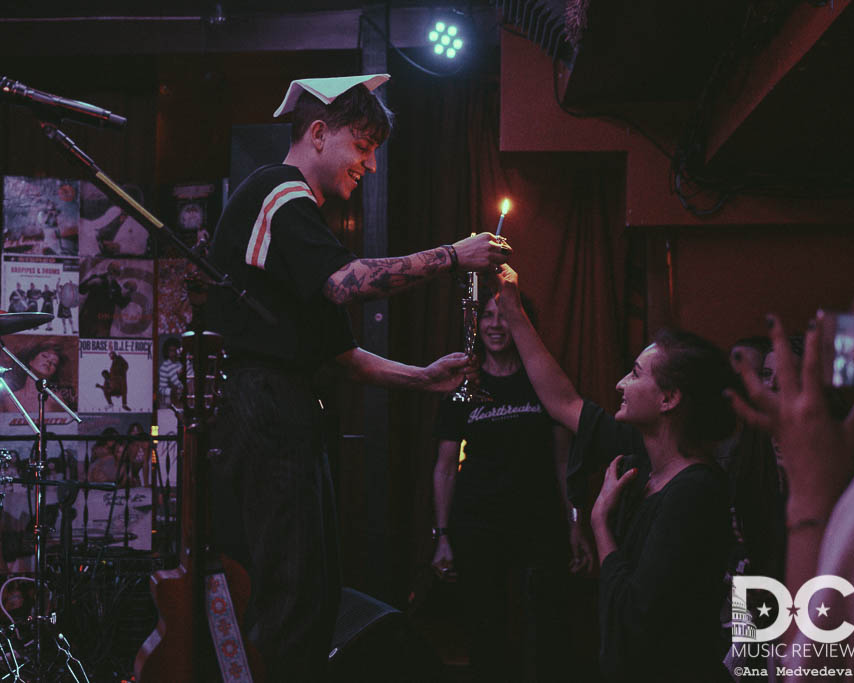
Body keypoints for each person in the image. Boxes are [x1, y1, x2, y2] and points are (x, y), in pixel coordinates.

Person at [205, 73, 511, 682]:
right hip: (262, 402)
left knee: (313, 589)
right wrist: (454, 255)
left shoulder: (302, 224)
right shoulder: (279, 192)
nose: (368, 166)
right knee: (290, 590)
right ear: (319, 134)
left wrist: (423, 378)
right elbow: (348, 283)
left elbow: (338, 354)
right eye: (363, 147)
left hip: (285, 401)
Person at [490, 264, 737, 682]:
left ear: (670, 398)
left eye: (637, 374)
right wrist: (513, 309)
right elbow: (563, 402)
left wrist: (600, 524)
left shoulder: (693, 492)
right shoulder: (643, 455)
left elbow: (636, 615)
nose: (621, 383)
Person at [430, 289, 589, 680]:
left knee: (549, 627)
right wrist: (443, 535)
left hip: (540, 522)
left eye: (505, 316)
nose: (495, 325)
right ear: (476, 324)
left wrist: (575, 524)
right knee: (487, 630)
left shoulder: (542, 380)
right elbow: (445, 468)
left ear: (522, 324)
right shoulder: (462, 387)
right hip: (478, 524)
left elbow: (564, 460)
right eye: (487, 316)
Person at [729, 306, 854, 681]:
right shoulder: (751, 464)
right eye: (768, 375)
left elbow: (813, 668)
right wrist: (746, 663)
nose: (773, 389)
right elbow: (750, 573)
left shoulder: (835, 482)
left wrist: (809, 499)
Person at [78, 262, 131, 338]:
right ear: (109, 270)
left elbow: (121, 304)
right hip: (89, 317)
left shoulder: (116, 287)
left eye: (118, 273)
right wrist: (90, 283)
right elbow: (81, 290)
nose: (114, 275)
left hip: (103, 322)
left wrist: (128, 295)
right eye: (114, 271)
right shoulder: (96, 278)